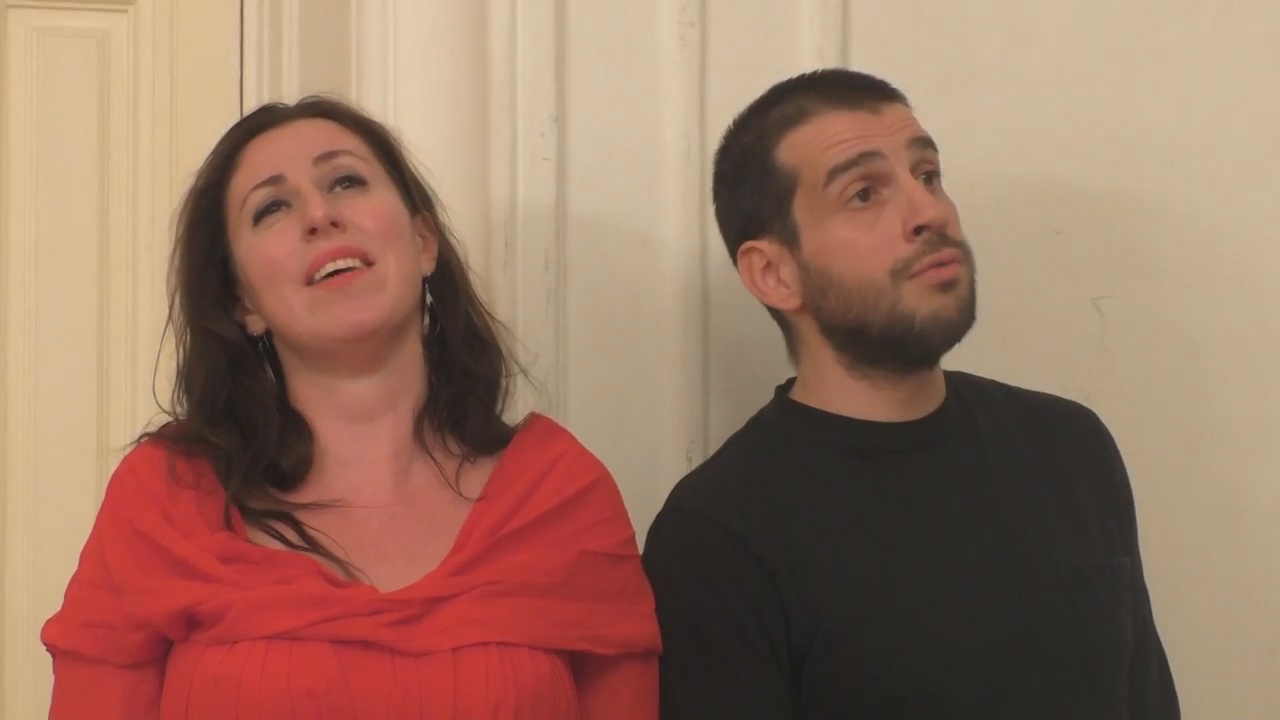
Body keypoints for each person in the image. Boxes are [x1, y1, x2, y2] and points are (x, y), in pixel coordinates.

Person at [41, 96, 661, 719]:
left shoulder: (560, 495)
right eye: (271, 208)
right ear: (242, 302)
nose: (319, 214)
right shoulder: (165, 500)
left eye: (346, 181)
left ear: (423, 242)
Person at [641, 68, 1179, 719]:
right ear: (775, 272)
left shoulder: (1070, 449)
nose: (930, 212)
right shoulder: (719, 537)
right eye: (865, 193)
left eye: (928, 175)